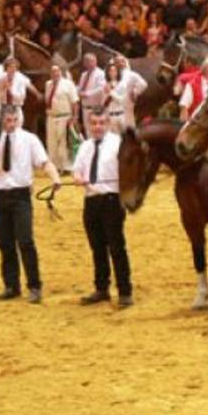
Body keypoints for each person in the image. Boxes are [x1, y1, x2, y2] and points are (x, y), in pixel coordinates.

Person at [0, 104, 62, 304]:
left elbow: (44, 162)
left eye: (14, 120)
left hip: (21, 196)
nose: (11, 125)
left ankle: (34, 286)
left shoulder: (29, 139)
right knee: (4, 243)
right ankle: (11, 286)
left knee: (25, 241)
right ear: (1, 120)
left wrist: (55, 178)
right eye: (7, 121)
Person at [72, 109, 133, 308]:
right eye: (94, 123)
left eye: (101, 123)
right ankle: (102, 288)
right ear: (89, 125)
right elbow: (77, 169)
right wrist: (78, 178)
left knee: (116, 247)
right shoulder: (85, 146)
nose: (97, 127)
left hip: (111, 201)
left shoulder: (117, 144)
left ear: (107, 124)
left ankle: (125, 291)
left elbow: (129, 167)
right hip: (91, 200)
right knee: (97, 247)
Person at [44, 64, 80, 172]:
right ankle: (55, 166)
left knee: (63, 143)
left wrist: (75, 116)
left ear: (60, 72)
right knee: (51, 142)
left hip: (65, 117)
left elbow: (75, 101)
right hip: (51, 116)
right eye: (52, 71)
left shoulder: (68, 84)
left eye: (57, 71)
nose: (55, 73)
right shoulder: (48, 84)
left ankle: (66, 167)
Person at [0, 58, 41, 125]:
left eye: (14, 67)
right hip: (4, 108)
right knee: (4, 131)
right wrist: (1, 89)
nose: (12, 69)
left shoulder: (20, 79)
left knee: (16, 130)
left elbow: (22, 96)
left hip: (16, 108)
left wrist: (9, 89)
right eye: (10, 67)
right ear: (6, 68)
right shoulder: (2, 78)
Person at [114, 55, 148, 129]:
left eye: (122, 61)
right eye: (118, 62)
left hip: (126, 108)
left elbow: (143, 84)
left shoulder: (131, 74)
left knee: (129, 131)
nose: (120, 63)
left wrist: (135, 92)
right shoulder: (113, 76)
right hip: (114, 110)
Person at [77, 53, 107, 135]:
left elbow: (101, 88)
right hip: (84, 107)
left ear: (95, 61)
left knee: (96, 131)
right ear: (84, 63)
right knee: (88, 131)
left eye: (91, 61)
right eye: (87, 61)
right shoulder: (84, 75)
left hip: (95, 108)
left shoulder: (100, 73)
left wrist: (87, 94)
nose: (89, 63)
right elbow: (80, 87)